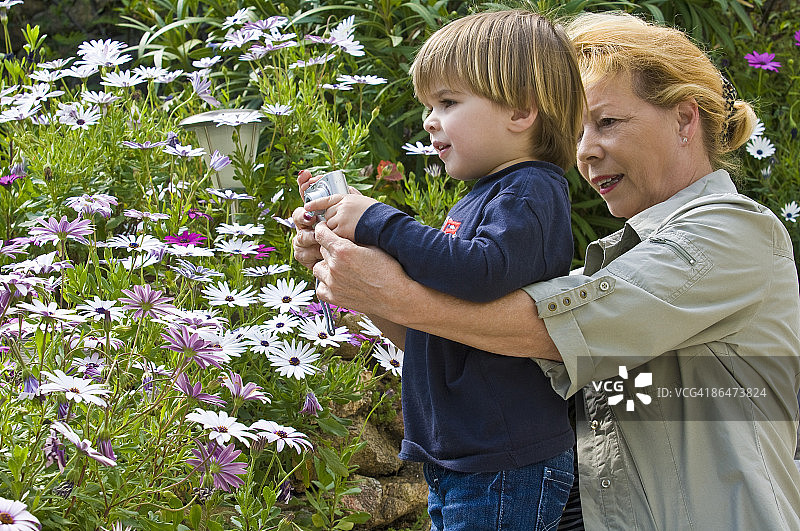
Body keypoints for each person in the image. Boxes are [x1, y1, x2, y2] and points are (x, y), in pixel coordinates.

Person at [294, 11, 800, 530]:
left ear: (685, 119)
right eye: (578, 131)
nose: (585, 151)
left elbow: (550, 331)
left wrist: (391, 280)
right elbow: (471, 341)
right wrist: (362, 284)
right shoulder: (618, 260)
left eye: (607, 122)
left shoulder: (733, 234)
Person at [299, 9, 585, 531]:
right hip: (470, 456)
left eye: (448, 103)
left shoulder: (531, 191)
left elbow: (479, 273)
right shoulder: (489, 195)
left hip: (505, 461)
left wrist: (379, 221)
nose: (430, 120)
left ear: (521, 111)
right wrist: (347, 250)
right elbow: (440, 320)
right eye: (429, 106)